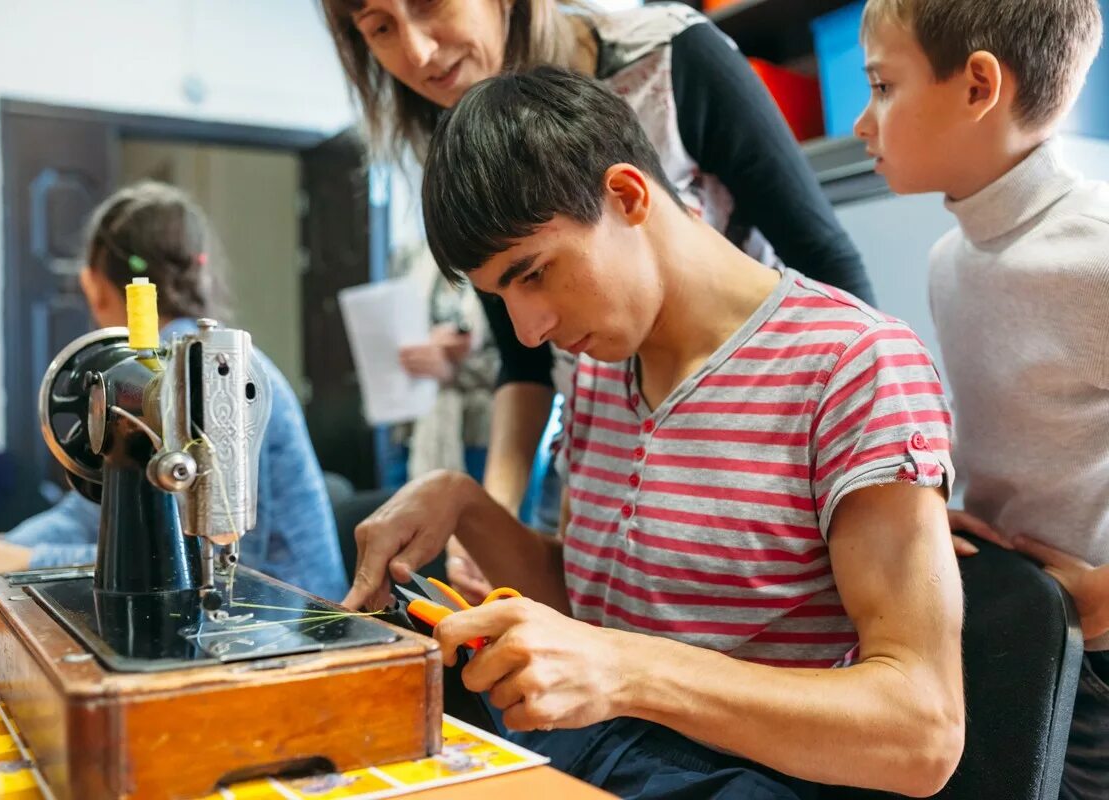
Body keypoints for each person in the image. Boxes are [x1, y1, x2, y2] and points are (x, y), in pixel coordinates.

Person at [345, 67, 965, 798]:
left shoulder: (854, 365)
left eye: (535, 273)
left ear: (629, 195)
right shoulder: (604, 370)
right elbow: (592, 608)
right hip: (597, 759)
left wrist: (628, 670)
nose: (529, 327)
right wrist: (466, 505)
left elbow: (921, 732)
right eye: (501, 297)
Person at [321, 0, 877, 600]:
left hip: (754, 440)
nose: (419, 52)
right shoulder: (594, 382)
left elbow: (825, 258)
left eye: (430, 4)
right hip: (601, 442)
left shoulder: (668, 59)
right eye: (379, 29)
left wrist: (874, 477)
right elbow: (525, 361)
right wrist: (488, 512)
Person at [854, 1, 1107, 795]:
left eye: (884, 87)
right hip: (1017, 620)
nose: (864, 122)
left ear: (978, 87)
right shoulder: (948, 260)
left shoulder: (1095, 253)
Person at [0, 182, 349, 602]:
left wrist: (23, 561)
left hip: (294, 619)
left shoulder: (210, 375)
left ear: (92, 286)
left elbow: (215, 556)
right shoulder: (142, 378)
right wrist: (1, 550)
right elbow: (90, 510)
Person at [394, 241, 500, 484]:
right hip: (415, 425)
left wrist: (454, 368)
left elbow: (523, 365)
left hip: (483, 431)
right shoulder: (410, 257)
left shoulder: (497, 255)